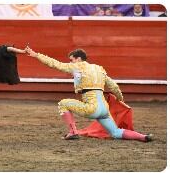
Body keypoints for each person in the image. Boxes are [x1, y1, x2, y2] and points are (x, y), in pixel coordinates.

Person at [24, 46, 152, 142]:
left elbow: (55, 64)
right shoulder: (99, 68)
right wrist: (120, 99)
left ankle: (73, 132)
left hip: (92, 107)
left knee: (63, 104)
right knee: (115, 132)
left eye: (71, 60)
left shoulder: (78, 66)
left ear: (78, 59)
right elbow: (113, 86)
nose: (71, 62)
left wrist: (36, 55)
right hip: (104, 109)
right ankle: (143, 137)